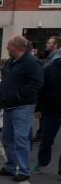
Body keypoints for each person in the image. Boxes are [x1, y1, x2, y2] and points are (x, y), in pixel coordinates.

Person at [0, 36, 43, 181]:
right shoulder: (11, 61)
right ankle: (10, 166)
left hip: (22, 106)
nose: (7, 49)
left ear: (17, 47)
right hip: (9, 105)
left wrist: (19, 95)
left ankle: (23, 171)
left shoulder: (31, 62)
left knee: (21, 138)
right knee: (7, 137)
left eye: (9, 46)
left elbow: (37, 83)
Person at [33, 36, 61, 175]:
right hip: (52, 108)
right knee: (46, 138)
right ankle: (42, 162)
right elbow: (41, 88)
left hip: (52, 107)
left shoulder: (49, 65)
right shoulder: (50, 67)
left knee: (46, 137)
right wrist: (39, 107)